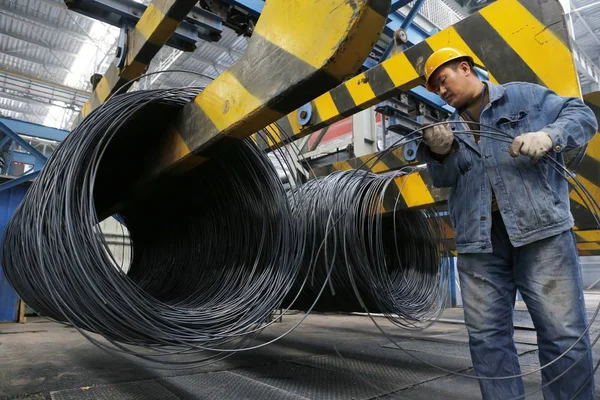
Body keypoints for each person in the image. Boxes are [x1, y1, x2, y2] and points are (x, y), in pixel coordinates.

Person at [417, 47, 597, 399]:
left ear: (465, 68)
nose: (441, 91)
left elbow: (582, 115)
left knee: (563, 333)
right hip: (478, 241)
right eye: (435, 88)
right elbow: (444, 178)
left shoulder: (522, 96)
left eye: (443, 80)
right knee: (487, 339)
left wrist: (549, 136)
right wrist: (439, 153)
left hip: (540, 231)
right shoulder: (450, 129)